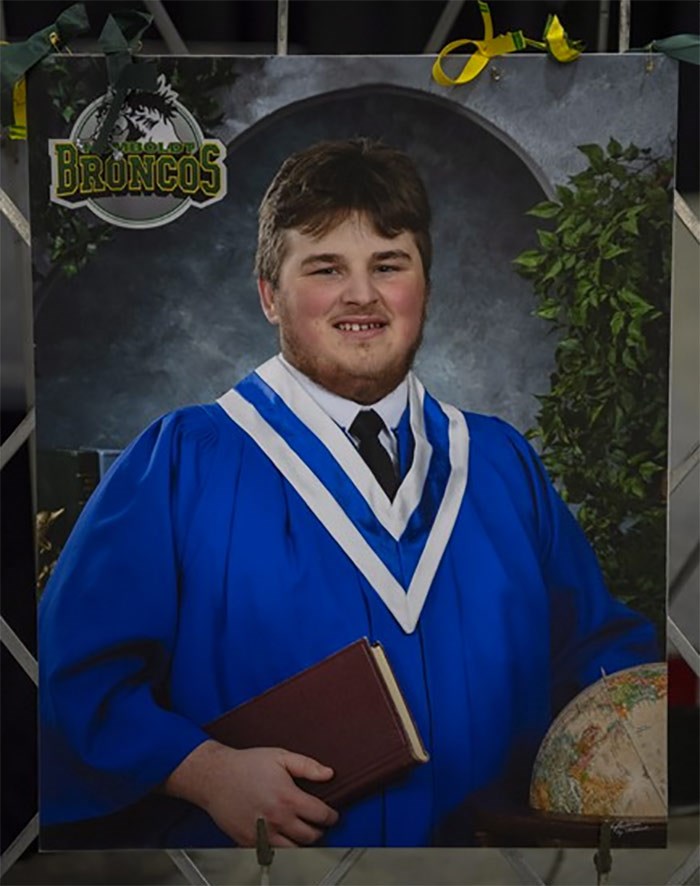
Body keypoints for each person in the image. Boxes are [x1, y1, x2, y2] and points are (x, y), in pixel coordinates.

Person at [39, 138, 659, 849]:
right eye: (326, 268)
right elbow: (77, 676)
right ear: (271, 294)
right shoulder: (185, 461)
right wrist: (206, 773)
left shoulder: (497, 462)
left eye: (388, 265)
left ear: (423, 285)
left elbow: (599, 658)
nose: (362, 294)